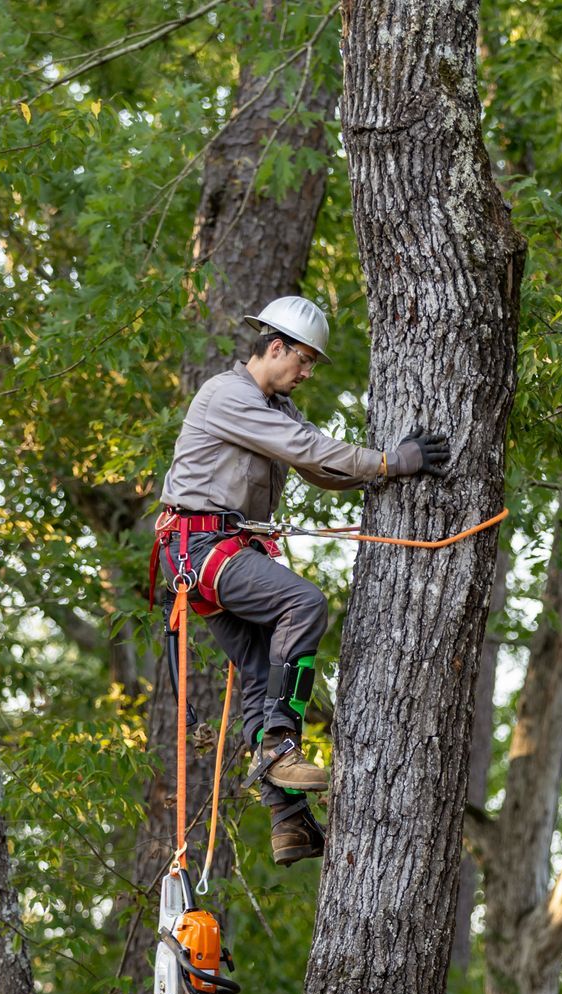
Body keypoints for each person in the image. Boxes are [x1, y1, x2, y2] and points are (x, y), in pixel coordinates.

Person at [153, 296, 449, 865]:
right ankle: (282, 745)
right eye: (304, 360)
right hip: (200, 548)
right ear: (276, 347)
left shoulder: (277, 409)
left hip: (217, 551)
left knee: (264, 669)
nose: (307, 373)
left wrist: (380, 471)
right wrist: (391, 461)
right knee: (302, 603)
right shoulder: (228, 395)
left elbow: (318, 468)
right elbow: (307, 449)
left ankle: (289, 821)